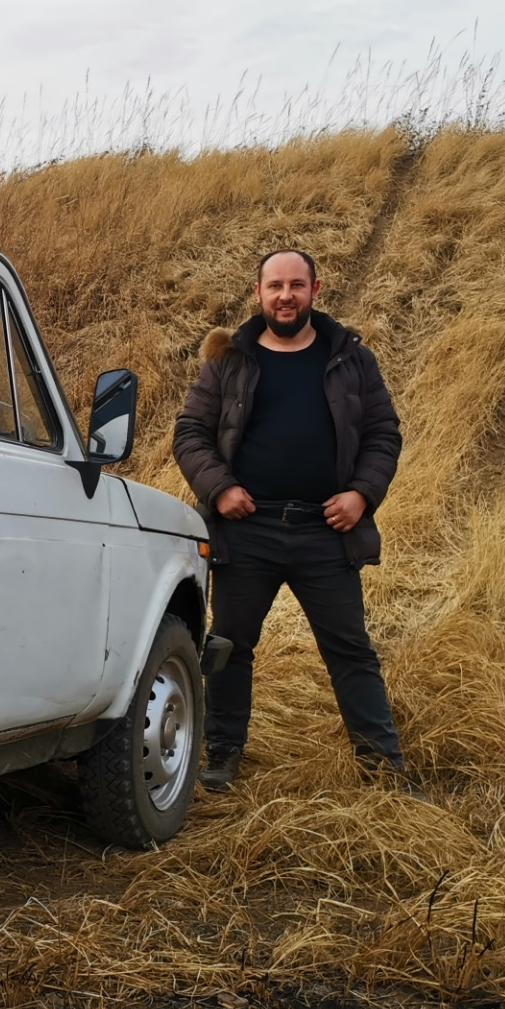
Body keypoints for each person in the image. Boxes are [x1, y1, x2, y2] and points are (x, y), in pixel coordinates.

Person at [172, 249, 407, 791]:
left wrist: (362, 495)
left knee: (351, 650)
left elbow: (383, 435)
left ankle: (383, 767)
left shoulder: (350, 358)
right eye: (275, 285)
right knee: (229, 647)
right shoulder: (229, 359)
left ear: (315, 290)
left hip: (327, 531)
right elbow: (190, 433)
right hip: (246, 532)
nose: (285, 296)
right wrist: (219, 487)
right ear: (258, 292)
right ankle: (222, 756)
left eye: (296, 285)